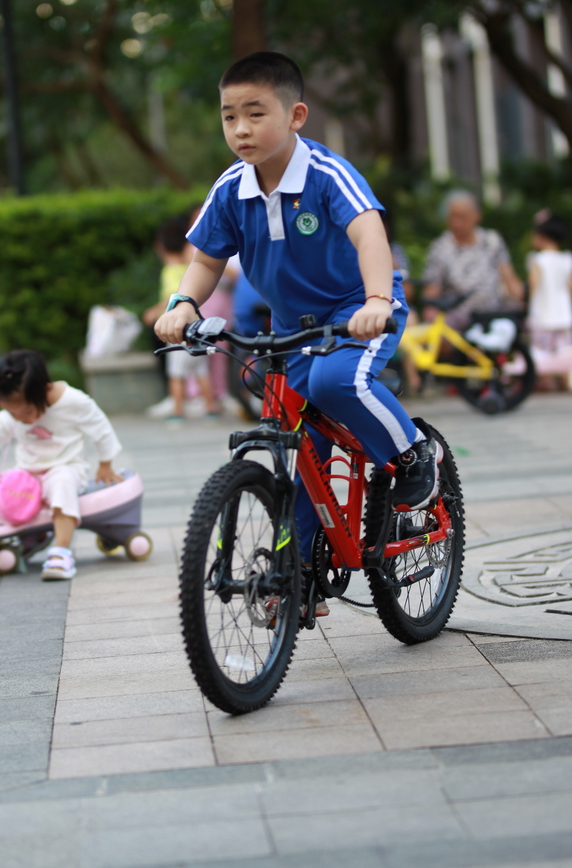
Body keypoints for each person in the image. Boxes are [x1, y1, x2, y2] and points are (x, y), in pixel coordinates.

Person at [155, 51, 443, 616]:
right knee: (295, 447)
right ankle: (301, 572)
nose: (240, 128)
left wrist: (378, 301)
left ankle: (414, 456)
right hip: (290, 332)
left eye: (255, 113)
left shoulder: (326, 174)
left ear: (295, 115)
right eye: (229, 116)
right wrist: (184, 302)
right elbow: (207, 261)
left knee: (338, 383)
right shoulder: (230, 190)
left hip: (356, 313)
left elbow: (370, 237)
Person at [0, 350, 123, 580]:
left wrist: (105, 464)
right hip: (28, 472)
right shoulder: (17, 410)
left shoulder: (74, 402)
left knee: (62, 485)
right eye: (12, 413)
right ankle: (14, 539)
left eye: (27, 412)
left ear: (46, 391)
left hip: (65, 466)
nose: (21, 419)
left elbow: (102, 430)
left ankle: (61, 552)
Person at [143, 217, 219, 421]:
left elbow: (172, 297)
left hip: (178, 329)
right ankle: (211, 408)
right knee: (201, 370)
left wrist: (155, 312)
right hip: (197, 326)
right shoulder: (190, 269)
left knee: (176, 372)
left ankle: (177, 411)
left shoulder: (170, 271)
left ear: (159, 248)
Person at [422, 190, 524, 329]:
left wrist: (523, 299)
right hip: (458, 313)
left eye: (463, 217)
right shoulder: (440, 247)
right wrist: (430, 309)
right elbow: (433, 287)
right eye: (453, 217)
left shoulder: (492, 241)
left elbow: (508, 276)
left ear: (477, 216)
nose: (457, 223)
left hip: (494, 309)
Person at [526, 213, 572, 390]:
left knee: (542, 356)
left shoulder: (538, 260)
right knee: (564, 354)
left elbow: (533, 287)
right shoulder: (567, 259)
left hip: (543, 314)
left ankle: (546, 384)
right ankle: (563, 383)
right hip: (564, 315)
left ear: (541, 236)